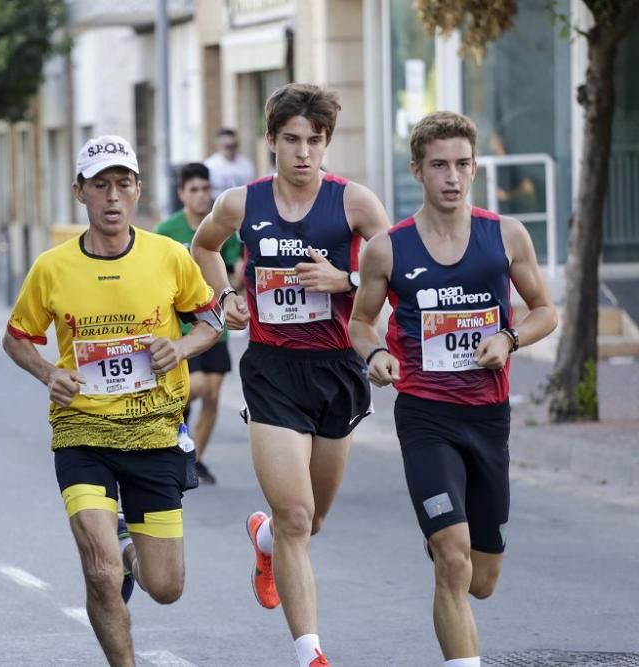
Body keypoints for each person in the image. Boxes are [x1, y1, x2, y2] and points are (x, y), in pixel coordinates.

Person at [2, 135, 223, 667]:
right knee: (99, 571)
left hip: (154, 433)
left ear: (138, 190)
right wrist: (48, 372)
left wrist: (182, 346)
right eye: (100, 185)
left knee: (165, 586)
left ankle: (128, 544)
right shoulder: (53, 268)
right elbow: (16, 337)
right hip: (82, 432)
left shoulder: (169, 257)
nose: (113, 196)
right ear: (80, 192)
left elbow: (211, 320)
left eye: (123, 184)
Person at [348, 111, 557, 667]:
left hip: (489, 417)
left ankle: (446, 540)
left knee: (482, 579)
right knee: (455, 563)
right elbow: (360, 322)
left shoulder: (505, 236)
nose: (452, 178)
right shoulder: (388, 250)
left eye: (463, 165)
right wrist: (375, 354)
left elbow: (545, 310)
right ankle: (445, 550)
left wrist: (510, 338)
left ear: (474, 169)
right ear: (417, 169)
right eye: (439, 165)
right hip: (425, 416)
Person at [192, 83, 391, 667]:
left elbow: (399, 272)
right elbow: (204, 248)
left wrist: (347, 282)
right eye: (292, 141)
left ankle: (262, 540)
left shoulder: (355, 203)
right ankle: (311, 655)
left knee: (312, 519)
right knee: (296, 517)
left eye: (315, 141)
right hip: (272, 369)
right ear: (272, 142)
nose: (304, 153)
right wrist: (225, 293)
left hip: (336, 370)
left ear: (327, 143)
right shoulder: (240, 203)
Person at [154, 162, 242, 484]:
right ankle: (169, 428)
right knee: (195, 387)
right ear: (182, 194)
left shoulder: (220, 228)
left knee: (214, 394)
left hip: (215, 325)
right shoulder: (167, 232)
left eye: (206, 189)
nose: (202, 196)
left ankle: (196, 458)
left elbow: (233, 271)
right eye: (194, 190)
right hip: (183, 328)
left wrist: (234, 289)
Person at [203, 128, 257, 199]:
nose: (231, 150)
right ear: (219, 146)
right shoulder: (210, 165)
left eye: (234, 146)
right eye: (227, 146)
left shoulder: (246, 164)